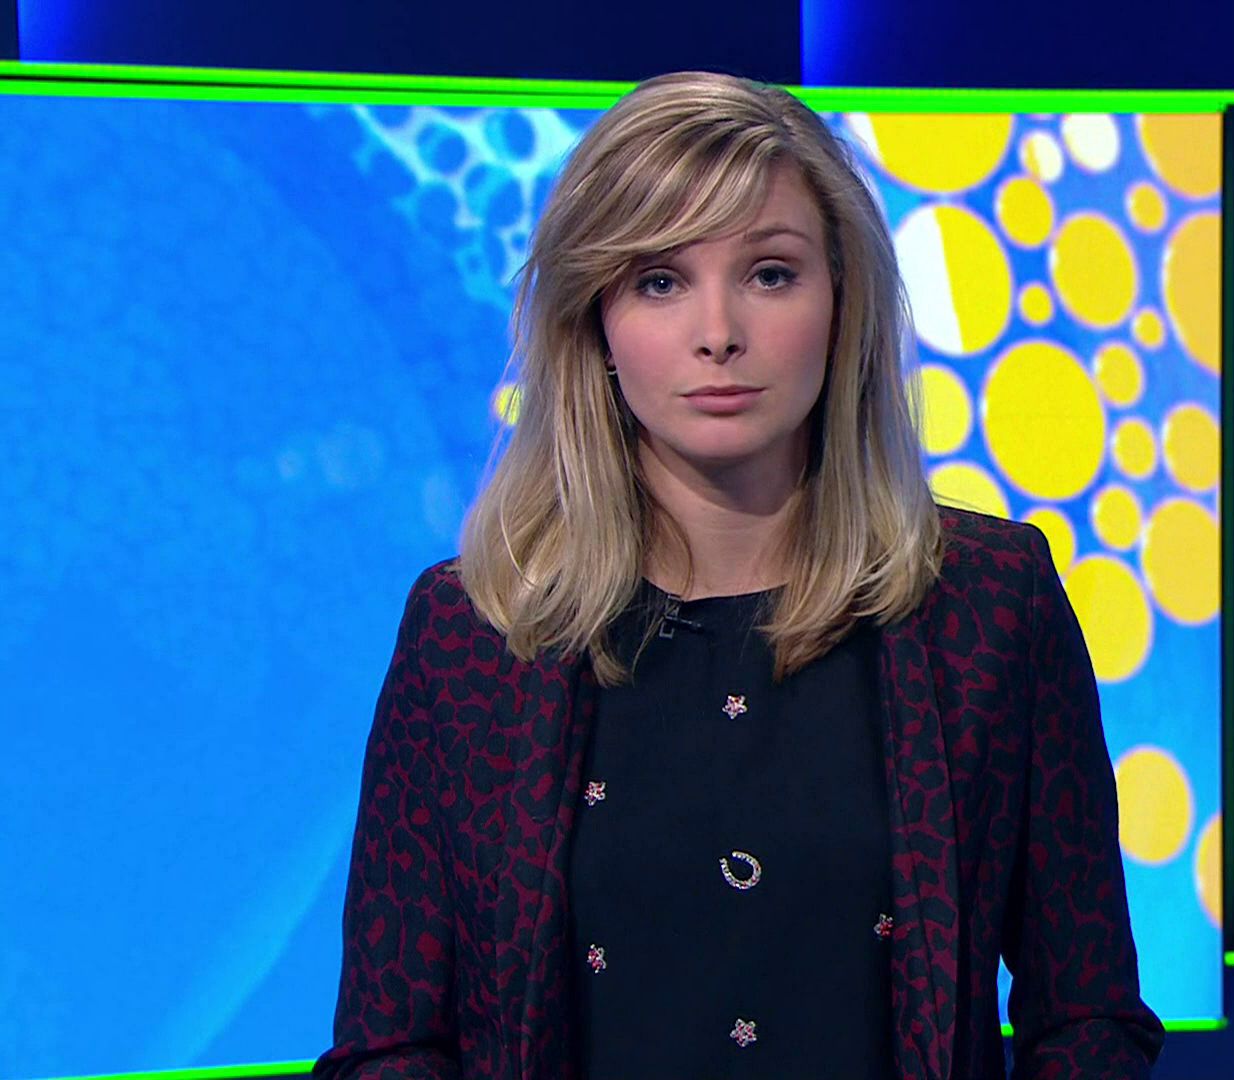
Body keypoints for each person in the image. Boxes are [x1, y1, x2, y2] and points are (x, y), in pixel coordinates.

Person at [315, 71, 1162, 1080]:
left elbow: (1088, 1019)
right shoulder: (469, 633)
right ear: (594, 320)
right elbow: (392, 1044)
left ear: (842, 302)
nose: (718, 333)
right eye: (660, 281)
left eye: (769, 273)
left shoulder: (988, 604)